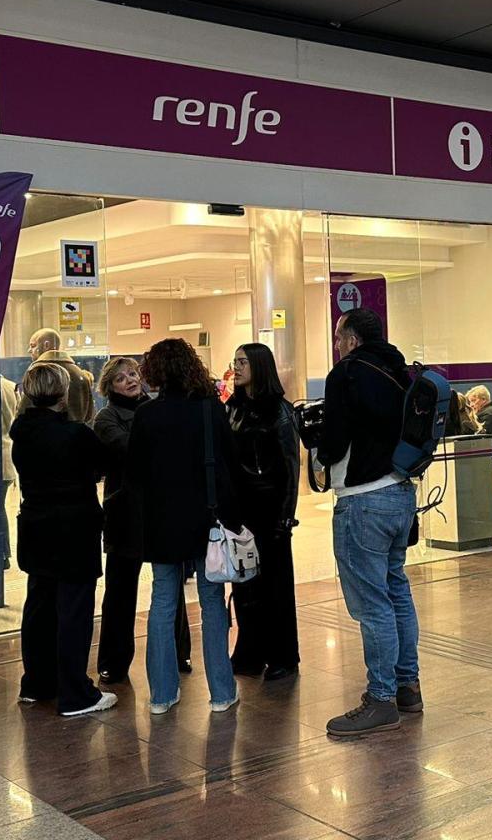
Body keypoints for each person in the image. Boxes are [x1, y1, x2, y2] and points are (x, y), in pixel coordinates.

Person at [317, 308, 421, 736]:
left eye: (339, 337)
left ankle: (380, 699)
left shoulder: (346, 374)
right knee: (396, 591)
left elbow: (334, 440)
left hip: (362, 499)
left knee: (373, 604)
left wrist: (319, 448)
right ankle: (407, 687)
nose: (337, 345)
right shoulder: (401, 370)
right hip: (400, 493)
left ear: (352, 339)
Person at [127, 338, 242, 714]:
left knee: (162, 602)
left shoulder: (146, 415)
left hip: (161, 522)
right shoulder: (209, 408)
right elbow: (230, 462)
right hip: (207, 520)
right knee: (211, 602)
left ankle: (161, 695)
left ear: (155, 371)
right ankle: (222, 692)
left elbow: (135, 475)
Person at [12, 361, 117, 717]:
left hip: (35, 528)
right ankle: (75, 694)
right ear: (63, 394)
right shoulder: (76, 435)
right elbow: (103, 465)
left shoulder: (21, 434)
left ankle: (36, 683)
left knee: (39, 606)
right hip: (74, 530)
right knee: (74, 610)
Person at [93, 356, 191, 683]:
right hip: (125, 513)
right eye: (121, 378)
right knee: (120, 591)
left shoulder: (158, 408)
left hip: (161, 509)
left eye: (132, 374)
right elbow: (131, 450)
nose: (131, 380)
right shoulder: (106, 418)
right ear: (109, 387)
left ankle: (179, 651)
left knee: (170, 584)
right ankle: (113, 661)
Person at [226, 343, 302, 681]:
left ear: (259, 365)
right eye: (235, 361)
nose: (237, 367)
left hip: (270, 509)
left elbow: (291, 466)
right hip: (240, 510)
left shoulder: (280, 411)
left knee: (275, 585)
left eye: (243, 362)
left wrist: (286, 515)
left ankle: (282, 655)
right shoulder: (232, 408)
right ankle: (250, 651)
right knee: (245, 585)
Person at [29, 327, 96, 424]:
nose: (29, 350)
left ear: (46, 345)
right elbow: (89, 415)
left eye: (33, 346)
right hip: (75, 432)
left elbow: (24, 411)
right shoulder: (80, 375)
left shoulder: (36, 374)